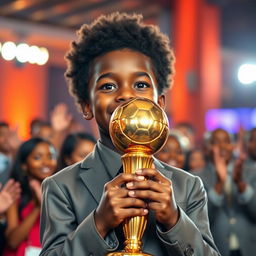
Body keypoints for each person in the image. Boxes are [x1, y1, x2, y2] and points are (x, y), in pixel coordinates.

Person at [39, 12, 220, 256]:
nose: (126, 94)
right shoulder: (60, 187)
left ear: (160, 103)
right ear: (87, 106)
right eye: (108, 86)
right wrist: (99, 223)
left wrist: (175, 220)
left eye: (141, 85)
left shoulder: (188, 186)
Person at [195, 128, 256, 256]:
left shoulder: (251, 172)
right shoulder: (196, 178)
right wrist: (219, 182)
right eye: (216, 143)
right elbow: (200, 219)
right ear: (207, 148)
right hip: (216, 248)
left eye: (226, 142)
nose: (222, 146)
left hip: (250, 247)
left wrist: (240, 184)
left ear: (233, 146)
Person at [3, 137, 57, 256]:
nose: (46, 162)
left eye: (50, 156)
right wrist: (37, 207)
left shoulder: (61, 193)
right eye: (37, 157)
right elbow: (12, 242)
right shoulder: (15, 194)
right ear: (24, 165)